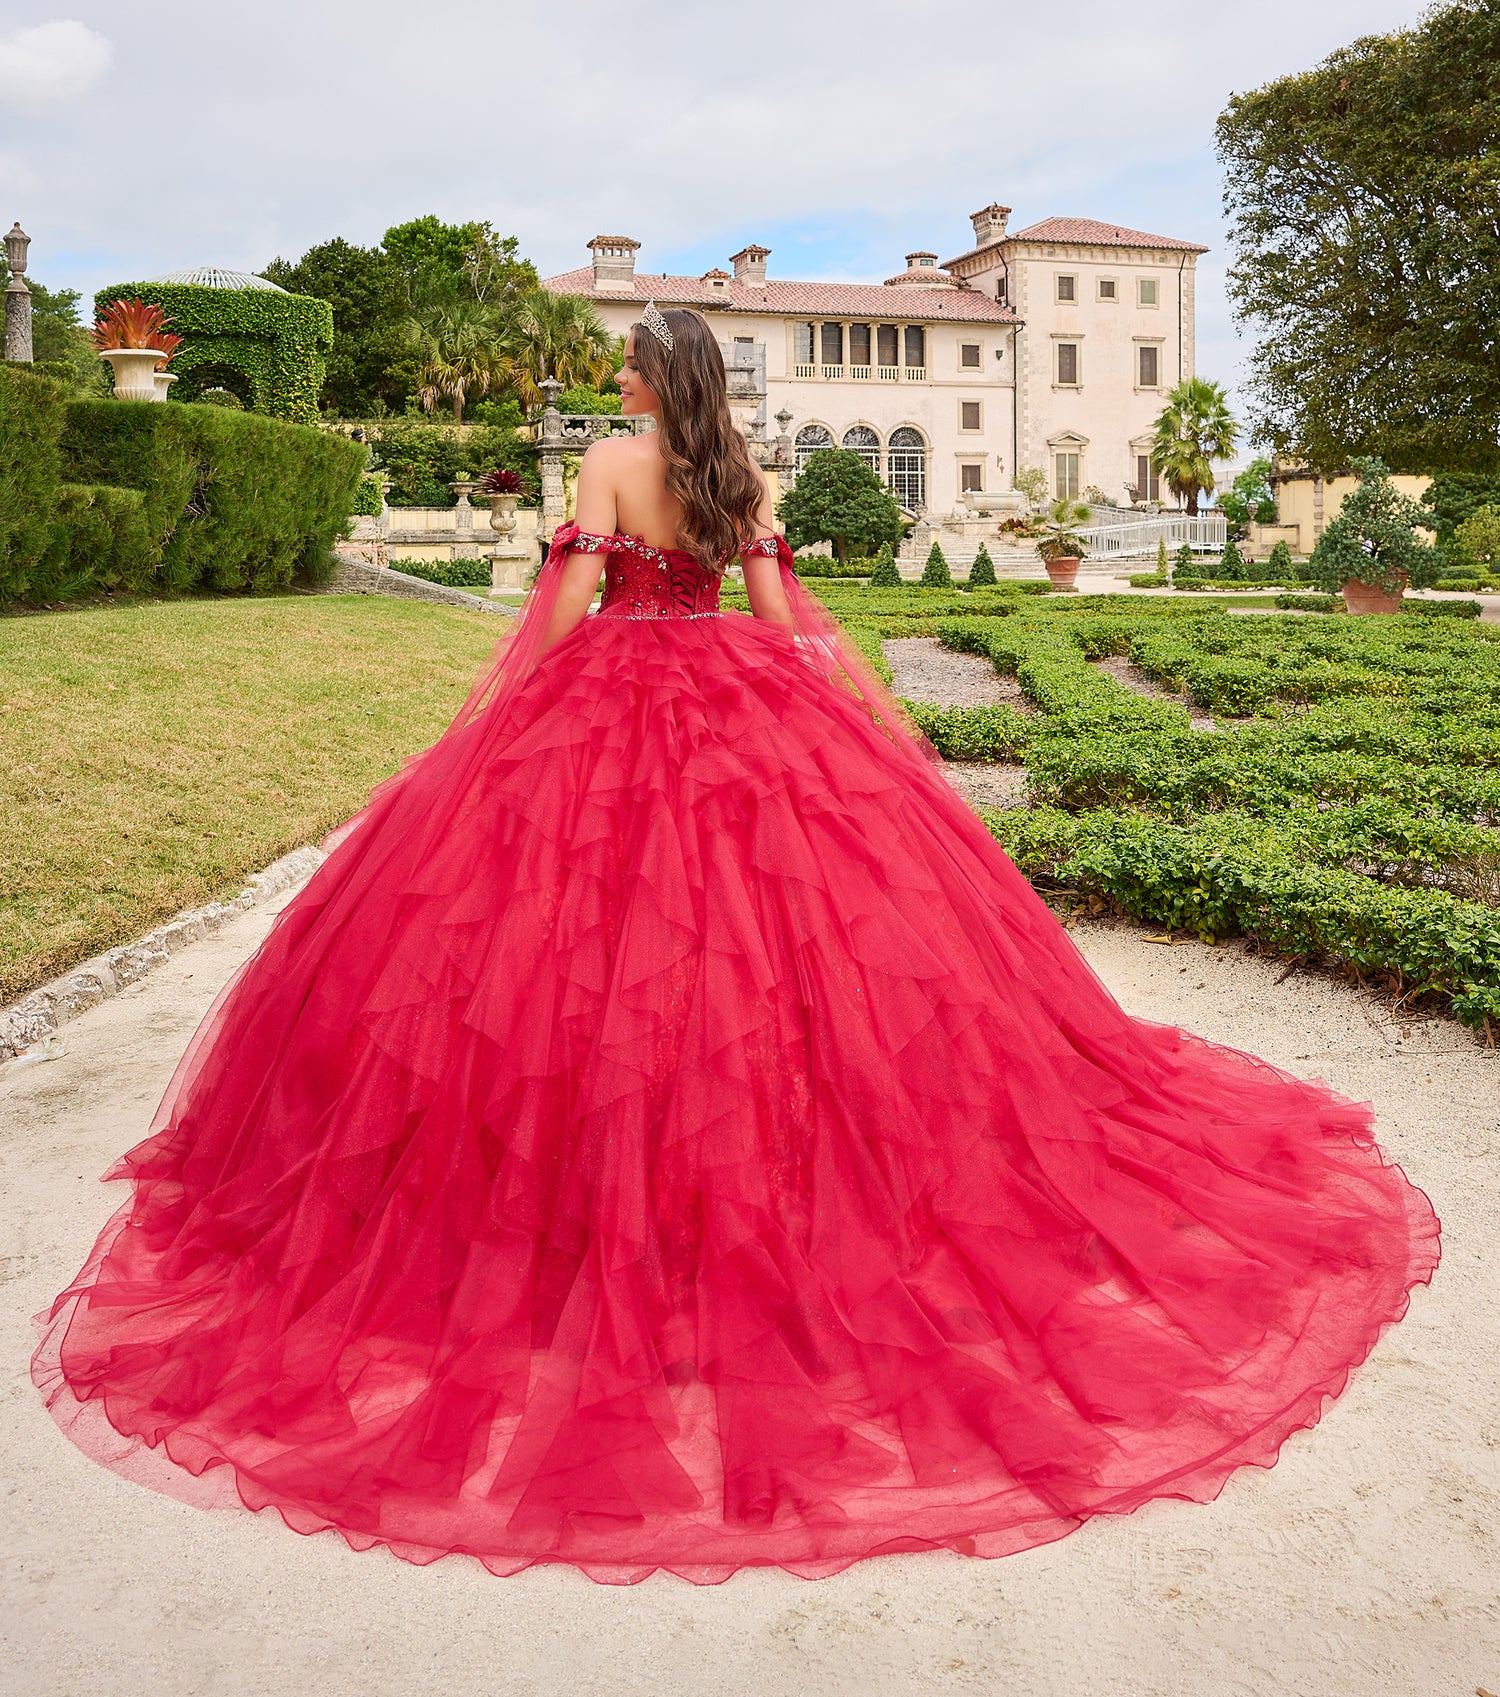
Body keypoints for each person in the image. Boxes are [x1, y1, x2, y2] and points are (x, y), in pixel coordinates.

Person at [35, 304, 1438, 1585]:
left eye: (629, 365)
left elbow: (567, 610)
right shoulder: (745, 477)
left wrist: (498, 717)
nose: (619, 381)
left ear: (650, 379)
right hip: (734, 709)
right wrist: (821, 718)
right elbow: (779, 621)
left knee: (560, 972)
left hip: (609, 713)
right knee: (767, 975)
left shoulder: (604, 461)